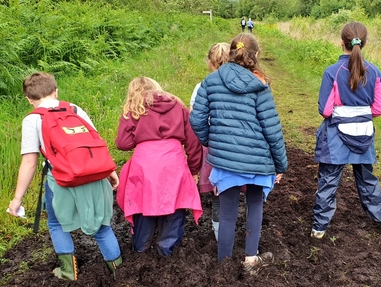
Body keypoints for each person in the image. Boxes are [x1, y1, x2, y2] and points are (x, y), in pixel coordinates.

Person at [8, 72, 122, 281]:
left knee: (56, 224)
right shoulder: (75, 110)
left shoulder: (33, 119)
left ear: (28, 99)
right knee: (102, 227)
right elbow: (94, 144)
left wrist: (17, 199)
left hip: (62, 181)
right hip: (94, 177)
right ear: (56, 91)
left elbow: (30, 162)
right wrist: (110, 172)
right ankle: (119, 272)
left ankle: (69, 272)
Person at [190, 33, 288, 275]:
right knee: (255, 205)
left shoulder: (210, 82)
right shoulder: (260, 84)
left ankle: (224, 264)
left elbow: (197, 119)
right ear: (255, 55)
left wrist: (211, 142)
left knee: (227, 213)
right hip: (258, 161)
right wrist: (281, 164)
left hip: (225, 161)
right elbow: (272, 129)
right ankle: (250, 259)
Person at [311, 22, 381, 240]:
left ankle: (319, 230)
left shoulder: (332, 72)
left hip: (335, 137)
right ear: (364, 43)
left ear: (342, 42)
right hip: (364, 135)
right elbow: (380, 108)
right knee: (367, 179)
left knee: (329, 181)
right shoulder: (375, 71)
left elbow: (325, 110)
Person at [116, 77, 203, 257]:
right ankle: (166, 250)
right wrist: (194, 170)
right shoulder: (177, 105)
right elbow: (193, 142)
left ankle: (141, 248)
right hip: (173, 162)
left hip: (145, 164)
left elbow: (123, 143)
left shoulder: (133, 108)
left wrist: (141, 136)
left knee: (143, 203)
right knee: (175, 203)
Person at [189, 42, 230, 241]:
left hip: (212, 145)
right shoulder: (241, 82)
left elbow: (194, 117)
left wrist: (205, 139)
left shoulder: (202, 86)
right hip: (236, 144)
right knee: (240, 191)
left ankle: (219, 234)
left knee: (217, 195)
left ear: (210, 62)